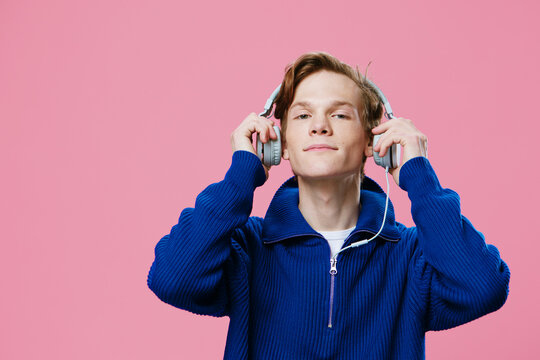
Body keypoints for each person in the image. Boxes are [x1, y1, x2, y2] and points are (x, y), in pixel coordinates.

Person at [147, 52, 510, 359]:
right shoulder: (247, 249)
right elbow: (172, 280)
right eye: (303, 116)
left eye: (339, 114)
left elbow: (483, 288)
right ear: (280, 146)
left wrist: (419, 177)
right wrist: (241, 174)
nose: (319, 126)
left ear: (374, 141)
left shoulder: (410, 256)